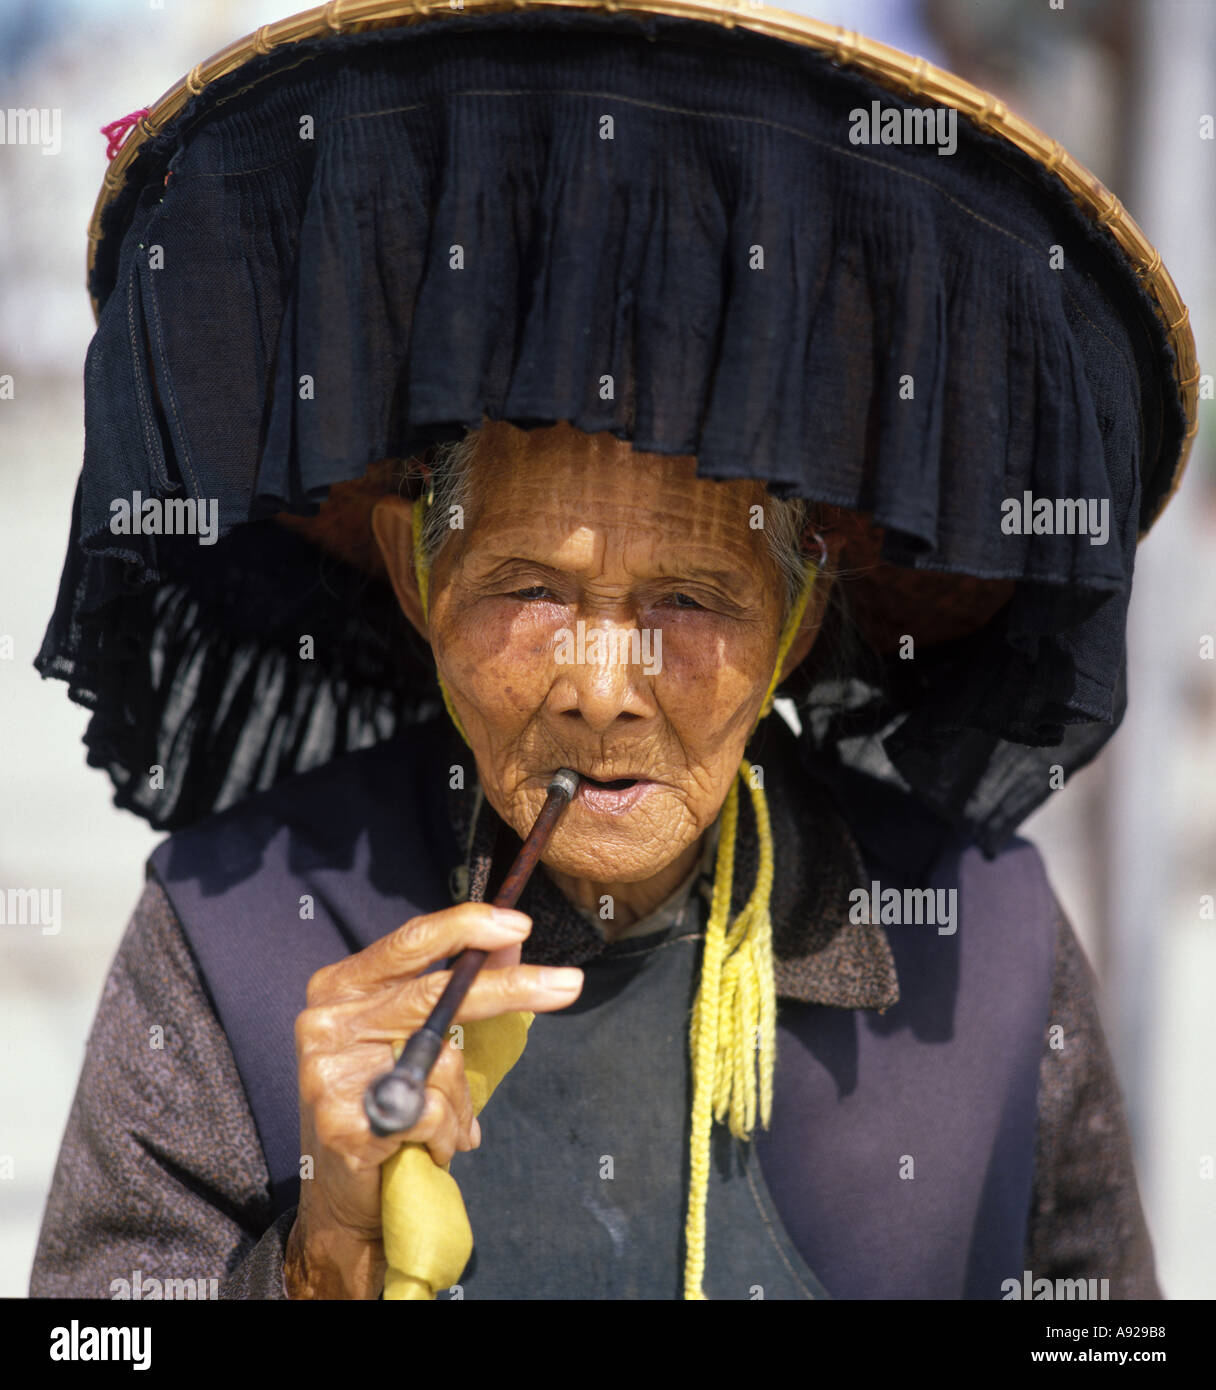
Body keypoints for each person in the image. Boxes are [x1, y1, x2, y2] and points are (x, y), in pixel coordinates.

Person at [30, 0, 1194, 1300]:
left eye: (690, 600)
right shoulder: (234, 930)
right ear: (422, 573)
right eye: (529, 585)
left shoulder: (985, 949)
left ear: (798, 619)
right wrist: (315, 1264)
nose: (599, 686)